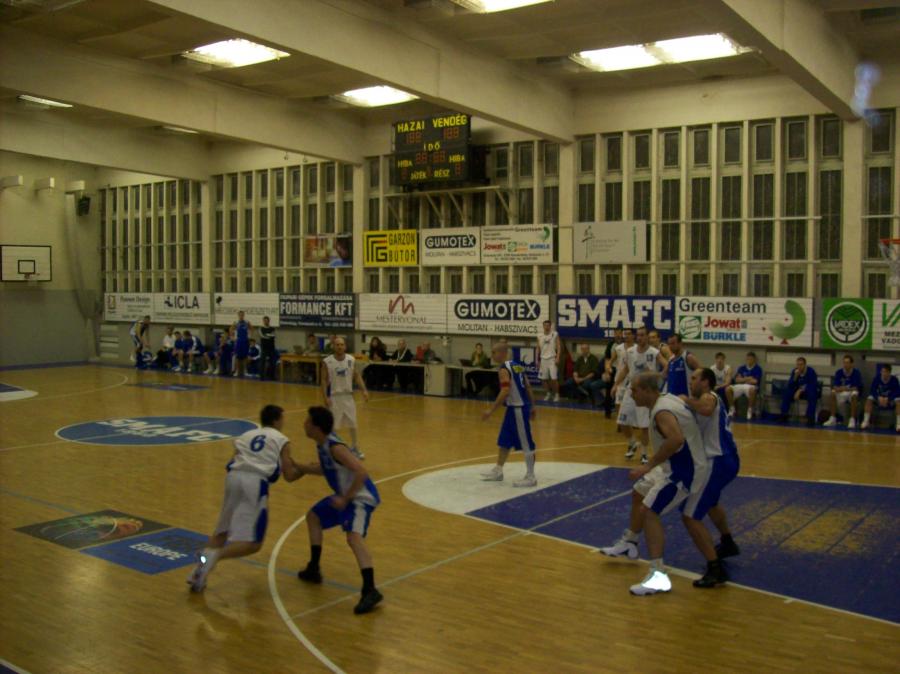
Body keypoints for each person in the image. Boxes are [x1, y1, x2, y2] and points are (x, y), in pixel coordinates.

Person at [599, 373, 708, 596]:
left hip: (685, 470)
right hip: (675, 463)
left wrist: (648, 466)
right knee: (639, 492)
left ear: (648, 390)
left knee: (649, 512)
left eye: (635, 390)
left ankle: (658, 576)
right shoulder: (666, 399)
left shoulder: (661, 411)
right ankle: (630, 542)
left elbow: (676, 439)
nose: (631, 394)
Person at [186, 405, 303, 592]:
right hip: (254, 483)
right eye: (282, 419)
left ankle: (197, 573)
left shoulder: (246, 435)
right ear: (276, 420)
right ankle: (214, 557)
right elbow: (289, 475)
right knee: (254, 544)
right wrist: (305, 470)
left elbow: (231, 462)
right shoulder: (282, 440)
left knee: (221, 531)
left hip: (233, 478)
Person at [295, 406, 383, 615]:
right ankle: (314, 568)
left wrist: (345, 498)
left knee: (353, 537)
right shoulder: (323, 444)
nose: (304, 424)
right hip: (345, 496)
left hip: (360, 497)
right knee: (313, 517)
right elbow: (325, 469)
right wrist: (300, 467)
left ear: (316, 427)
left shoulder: (336, 447)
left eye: (307, 421)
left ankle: (370, 590)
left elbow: (361, 471)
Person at [678, 368, 741, 588]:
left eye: (694, 378)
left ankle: (715, 569)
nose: (690, 381)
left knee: (689, 515)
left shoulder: (709, 397)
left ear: (705, 382)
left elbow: (705, 408)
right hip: (727, 460)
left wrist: (685, 400)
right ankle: (727, 541)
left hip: (718, 461)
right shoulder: (705, 399)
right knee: (711, 502)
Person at [480, 342, 538, 487]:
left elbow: (505, 391)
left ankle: (531, 476)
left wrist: (491, 410)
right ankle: (498, 470)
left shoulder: (503, 369)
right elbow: (528, 386)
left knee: (526, 443)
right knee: (505, 440)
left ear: (502, 353)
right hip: (513, 409)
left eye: (494, 352)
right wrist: (533, 406)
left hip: (518, 409)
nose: (492, 355)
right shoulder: (518, 366)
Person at [612, 326, 668, 464]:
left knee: (644, 426)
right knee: (622, 421)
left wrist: (658, 375)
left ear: (647, 337)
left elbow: (667, 365)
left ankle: (644, 453)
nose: (640, 337)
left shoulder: (654, 352)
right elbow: (625, 369)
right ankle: (632, 443)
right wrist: (616, 384)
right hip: (631, 390)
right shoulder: (630, 351)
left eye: (643, 335)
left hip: (646, 392)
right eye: (638, 335)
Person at [322, 336, 369, 458]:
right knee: (333, 426)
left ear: (345, 346)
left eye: (342, 344)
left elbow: (357, 376)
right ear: (333, 346)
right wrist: (325, 397)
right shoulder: (327, 361)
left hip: (348, 396)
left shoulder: (351, 359)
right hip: (334, 397)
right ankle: (330, 449)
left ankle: (355, 447)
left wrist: (364, 390)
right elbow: (324, 380)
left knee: (353, 424)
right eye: (337, 344)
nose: (340, 347)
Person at [823, 355, 863, 428]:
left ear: (851, 364)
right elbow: (835, 386)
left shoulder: (856, 373)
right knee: (832, 393)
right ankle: (833, 418)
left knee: (854, 395)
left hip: (851, 392)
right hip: (842, 392)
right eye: (844, 363)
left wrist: (845, 388)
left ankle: (852, 419)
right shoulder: (839, 372)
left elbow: (856, 387)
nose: (845, 365)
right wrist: (842, 389)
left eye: (847, 363)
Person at [777, 357, 819, 425]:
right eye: (798, 364)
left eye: (801, 364)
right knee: (787, 393)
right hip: (796, 391)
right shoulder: (795, 371)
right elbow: (790, 385)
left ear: (805, 365)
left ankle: (810, 417)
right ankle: (784, 414)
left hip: (807, 391)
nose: (799, 366)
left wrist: (800, 390)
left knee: (812, 394)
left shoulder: (811, 371)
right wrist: (795, 377)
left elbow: (813, 384)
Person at [861, 364, 900, 432]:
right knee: (869, 400)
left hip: (889, 399)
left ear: (889, 372)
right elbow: (872, 390)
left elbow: (897, 392)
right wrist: (878, 397)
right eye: (882, 371)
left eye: (885, 372)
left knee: (898, 402)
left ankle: (898, 424)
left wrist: (888, 398)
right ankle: (866, 421)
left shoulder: (894, 380)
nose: (884, 374)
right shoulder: (877, 378)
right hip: (879, 398)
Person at [727, 352, 763, 420]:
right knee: (728, 389)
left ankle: (750, 410)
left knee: (753, 390)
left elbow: (755, 381)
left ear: (754, 359)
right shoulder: (742, 368)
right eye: (748, 359)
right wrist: (748, 378)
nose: (749, 360)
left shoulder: (758, 368)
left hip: (751, 387)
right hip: (740, 386)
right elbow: (737, 380)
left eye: (751, 359)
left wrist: (742, 379)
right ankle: (732, 408)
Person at [609, 328, 635, 421]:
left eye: (629, 334)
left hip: (632, 379)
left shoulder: (637, 348)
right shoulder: (618, 348)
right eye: (625, 334)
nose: (626, 336)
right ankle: (619, 421)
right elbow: (610, 361)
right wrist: (607, 369)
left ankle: (631, 421)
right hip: (620, 379)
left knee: (632, 402)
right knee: (618, 401)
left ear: (633, 336)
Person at [537, 320, 560, 402]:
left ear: (550, 326)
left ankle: (557, 394)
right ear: (543, 326)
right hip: (543, 359)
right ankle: (548, 393)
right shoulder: (539, 335)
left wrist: (557, 357)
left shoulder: (555, 334)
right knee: (543, 379)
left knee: (554, 379)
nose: (546, 327)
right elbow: (538, 348)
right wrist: (537, 360)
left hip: (552, 359)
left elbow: (558, 346)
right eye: (545, 325)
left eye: (548, 325)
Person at [232, 310, 253, 378]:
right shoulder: (236, 322)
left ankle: (245, 371)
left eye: (242, 315)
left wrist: (249, 336)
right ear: (238, 315)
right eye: (240, 315)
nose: (241, 316)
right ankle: (237, 371)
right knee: (237, 357)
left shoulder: (247, 322)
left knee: (245, 357)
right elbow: (231, 329)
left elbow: (251, 328)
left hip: (245, 341)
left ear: (243, 315)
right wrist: (233, 337)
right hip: (239, 341)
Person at [258, 316, 277, 381]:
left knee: (272, 363)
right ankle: (262, 377)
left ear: (269, 321)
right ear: (263, 321)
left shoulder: (272, 328)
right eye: (265, 320)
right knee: (262, 363)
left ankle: (272, 377)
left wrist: (267, 335)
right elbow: (262, 336)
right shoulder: (261, 329)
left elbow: (273, 335)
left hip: (271, 347)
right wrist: (269, 335)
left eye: (267, 320)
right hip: (264, 348)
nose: (266, 322)